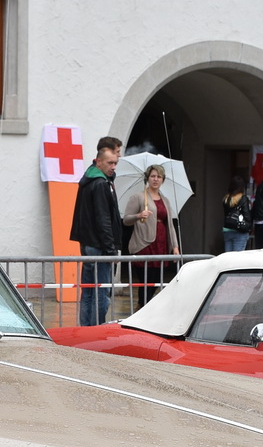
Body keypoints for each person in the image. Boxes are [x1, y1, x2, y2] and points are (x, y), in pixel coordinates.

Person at [70, 136, 125, 325]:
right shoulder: (101, 183)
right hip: (100, 246)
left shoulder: (90, 177)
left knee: (88, 291)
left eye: (116, 162)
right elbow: (103, 220)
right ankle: (96, 330)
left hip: (88, 243)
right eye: (111, 161)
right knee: (101, 293)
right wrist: (111, 250)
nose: (114, 166)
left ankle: (85, 329)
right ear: (99, 161)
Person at [124, 163, 182, 305]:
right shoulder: (138, 197)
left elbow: (170, 225)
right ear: (148, 178)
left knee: (156, 281)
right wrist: (138, 215)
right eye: (153, 176)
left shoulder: (165, 200)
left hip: (161, 244)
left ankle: (145, 307)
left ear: (163, 180)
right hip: (144, 244)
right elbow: (126, 220)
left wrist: (175, 246)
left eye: (159, 176)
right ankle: (142, 307)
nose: (156, 179)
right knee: (146, 281)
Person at [221, 176, 252, 251]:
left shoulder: (226, 199)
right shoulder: (243, 199)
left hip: (227, 231)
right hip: (239, 232)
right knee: (237, 259)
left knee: (228, 258)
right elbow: (247, 216)